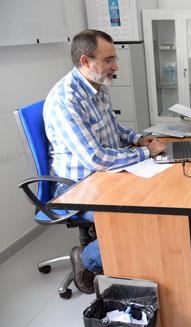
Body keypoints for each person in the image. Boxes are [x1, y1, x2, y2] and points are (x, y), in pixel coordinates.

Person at [44, 29, 166, 294]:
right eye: (109, 60)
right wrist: (148, 153)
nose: (116, 65)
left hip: (103, 176)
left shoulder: (97, 87)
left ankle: (125, 255)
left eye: (115, 59)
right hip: (77, 187)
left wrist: (140, 139)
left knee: (159, 200)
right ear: (86, 61)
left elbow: (113, 129)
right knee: (140, 216)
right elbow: (97, 157)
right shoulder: (66, 100)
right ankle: (86, 259)